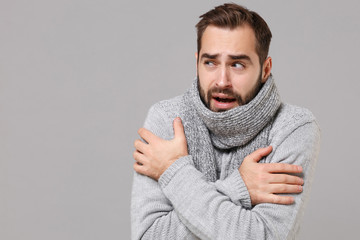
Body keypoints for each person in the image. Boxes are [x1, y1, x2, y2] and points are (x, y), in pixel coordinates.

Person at [131, 3, 320, 240]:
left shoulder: (292, 127)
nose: (222, 81)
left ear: (265, 69)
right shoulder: (167, 118)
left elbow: (263, 237)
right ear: (197, 62)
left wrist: (172, 169)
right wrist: (239, 187)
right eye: (210, 62)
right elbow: (150, 236)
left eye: (237, 64)